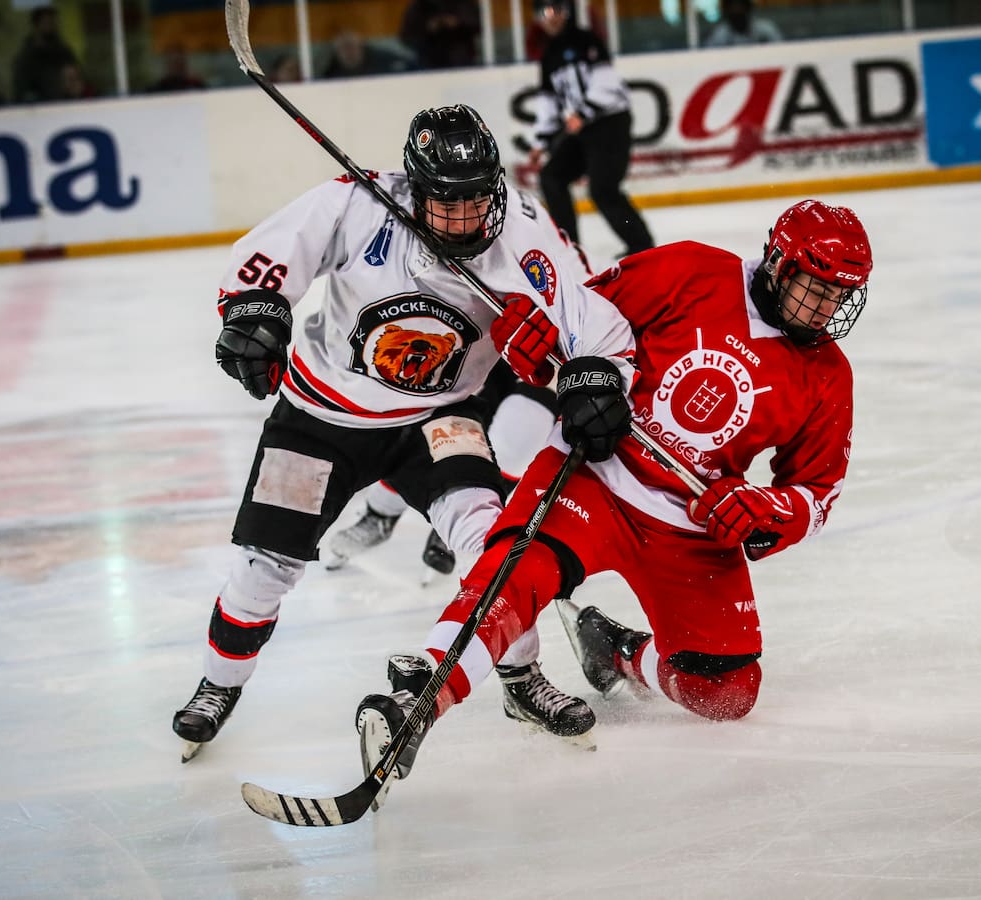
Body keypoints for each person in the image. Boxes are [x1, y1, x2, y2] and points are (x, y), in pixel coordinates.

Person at [353, 199, 873, 796]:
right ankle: (417, 700)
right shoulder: (691, 271)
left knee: (727, 692)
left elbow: (817, 492)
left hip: (688, 528)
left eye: (842, 295)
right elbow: (582, 320)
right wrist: (541, 345)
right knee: (512, 578)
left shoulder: (827, 373)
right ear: (779, 265)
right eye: (818, 288)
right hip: (594, 471)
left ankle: (617, 651)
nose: (829, 307)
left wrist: (765, 510)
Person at [171, 104, 637, 760]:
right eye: (448, 204)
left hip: (440, 419)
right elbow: (270, 256)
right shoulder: (358, 202)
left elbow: (593, 316)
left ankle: (520, 677)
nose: (466, 219)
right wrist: (255, 314)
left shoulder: (525, 230)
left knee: (493, 544)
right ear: (414, 191)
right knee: (264, 567)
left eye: (478, 200)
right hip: (320, 418)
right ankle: (217, 685)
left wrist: (594, 375)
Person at [323, 360, 560, 576]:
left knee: (522, 434)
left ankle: (463, 511)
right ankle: (381, 514)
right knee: (435, 412)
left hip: (552, 357)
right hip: (490, 345)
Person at [528, 0, 654, 259]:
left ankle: (642, 246)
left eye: (556, 10)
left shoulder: (586, 40)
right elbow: (548, 101)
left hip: (610, 122)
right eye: (544, 13)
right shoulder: (548, 55)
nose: (551, 18)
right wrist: (540, 141)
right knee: (551, 177)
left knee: (603, 188)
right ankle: (569, 248)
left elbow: (607, 83)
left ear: (566, 12)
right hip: (583, 128)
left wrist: (584, 111)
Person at [12, 5, 80, 104]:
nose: (51, 26)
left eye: (53, 23)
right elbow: (21, 91)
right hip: (41, 108)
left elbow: (76, 77)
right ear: (36, 25)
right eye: (46, 23)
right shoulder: (27, 57)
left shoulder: (63, 51)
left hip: (67, 105)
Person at [399, 0, 481, 70]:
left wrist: (459, 23)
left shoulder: (462, 3)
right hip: (428, 63)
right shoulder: (419, 6)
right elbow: (407, 36)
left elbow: (479, 26)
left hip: (461, 62)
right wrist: (427, 27)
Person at [321, 30, 415, 78]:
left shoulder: (381, 60)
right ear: (337, 52)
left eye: (351, 47)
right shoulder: (331, 72)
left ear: (360, 47)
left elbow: (408, 64)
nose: (349, 52)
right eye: (343, 48)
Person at [703, 0, 783, 47]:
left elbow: (781, 47)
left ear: (748, 8)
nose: (737, 11)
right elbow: (709, 54)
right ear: (727, 11)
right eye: (733, 8)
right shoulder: (720, 34)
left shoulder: (765, 29)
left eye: (740, 7)